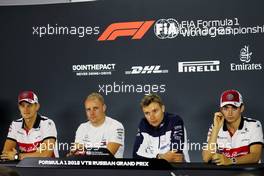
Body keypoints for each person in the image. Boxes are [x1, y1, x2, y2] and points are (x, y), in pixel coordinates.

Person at [202, 89, 263, 165]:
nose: (229, 113)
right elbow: (206, 158)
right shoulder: (215, 126)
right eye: (225, 108)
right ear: (221, 109)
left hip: (248, 172)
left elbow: (255, 156)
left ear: (242, 108)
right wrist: (216, 129)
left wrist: (231, 161)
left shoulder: (254, 125)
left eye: (234, 108)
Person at [0, 91, 58, 161]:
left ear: (37, 106)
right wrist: (36, 154)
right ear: (19, 107)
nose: (25, 109)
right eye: (22, 105)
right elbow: (6, 154)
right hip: (25, 169)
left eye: (29, 105)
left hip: (48, 169)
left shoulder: (48, 123)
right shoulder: (15, 124)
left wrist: (17, 156)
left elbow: (46, 155)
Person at [133, 93, 190, 162]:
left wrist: (149, 157)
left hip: (178, 170)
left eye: (155, 111)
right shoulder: (144, 123)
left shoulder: (175, 120)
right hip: (153, 171)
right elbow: (136, 156)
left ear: (163, 108)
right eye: (147, 113)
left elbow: (175, 155)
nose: (152, 117)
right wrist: (159, 157)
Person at [69, 92, 125, 158]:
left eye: (95, 108)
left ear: (103, 108)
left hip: (110, 168)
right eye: (88, 109)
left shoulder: (116, 126)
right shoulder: (82, 127)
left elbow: (107, 155)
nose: (92, 113)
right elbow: (76, 154)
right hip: (86, 167)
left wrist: (85, 152)